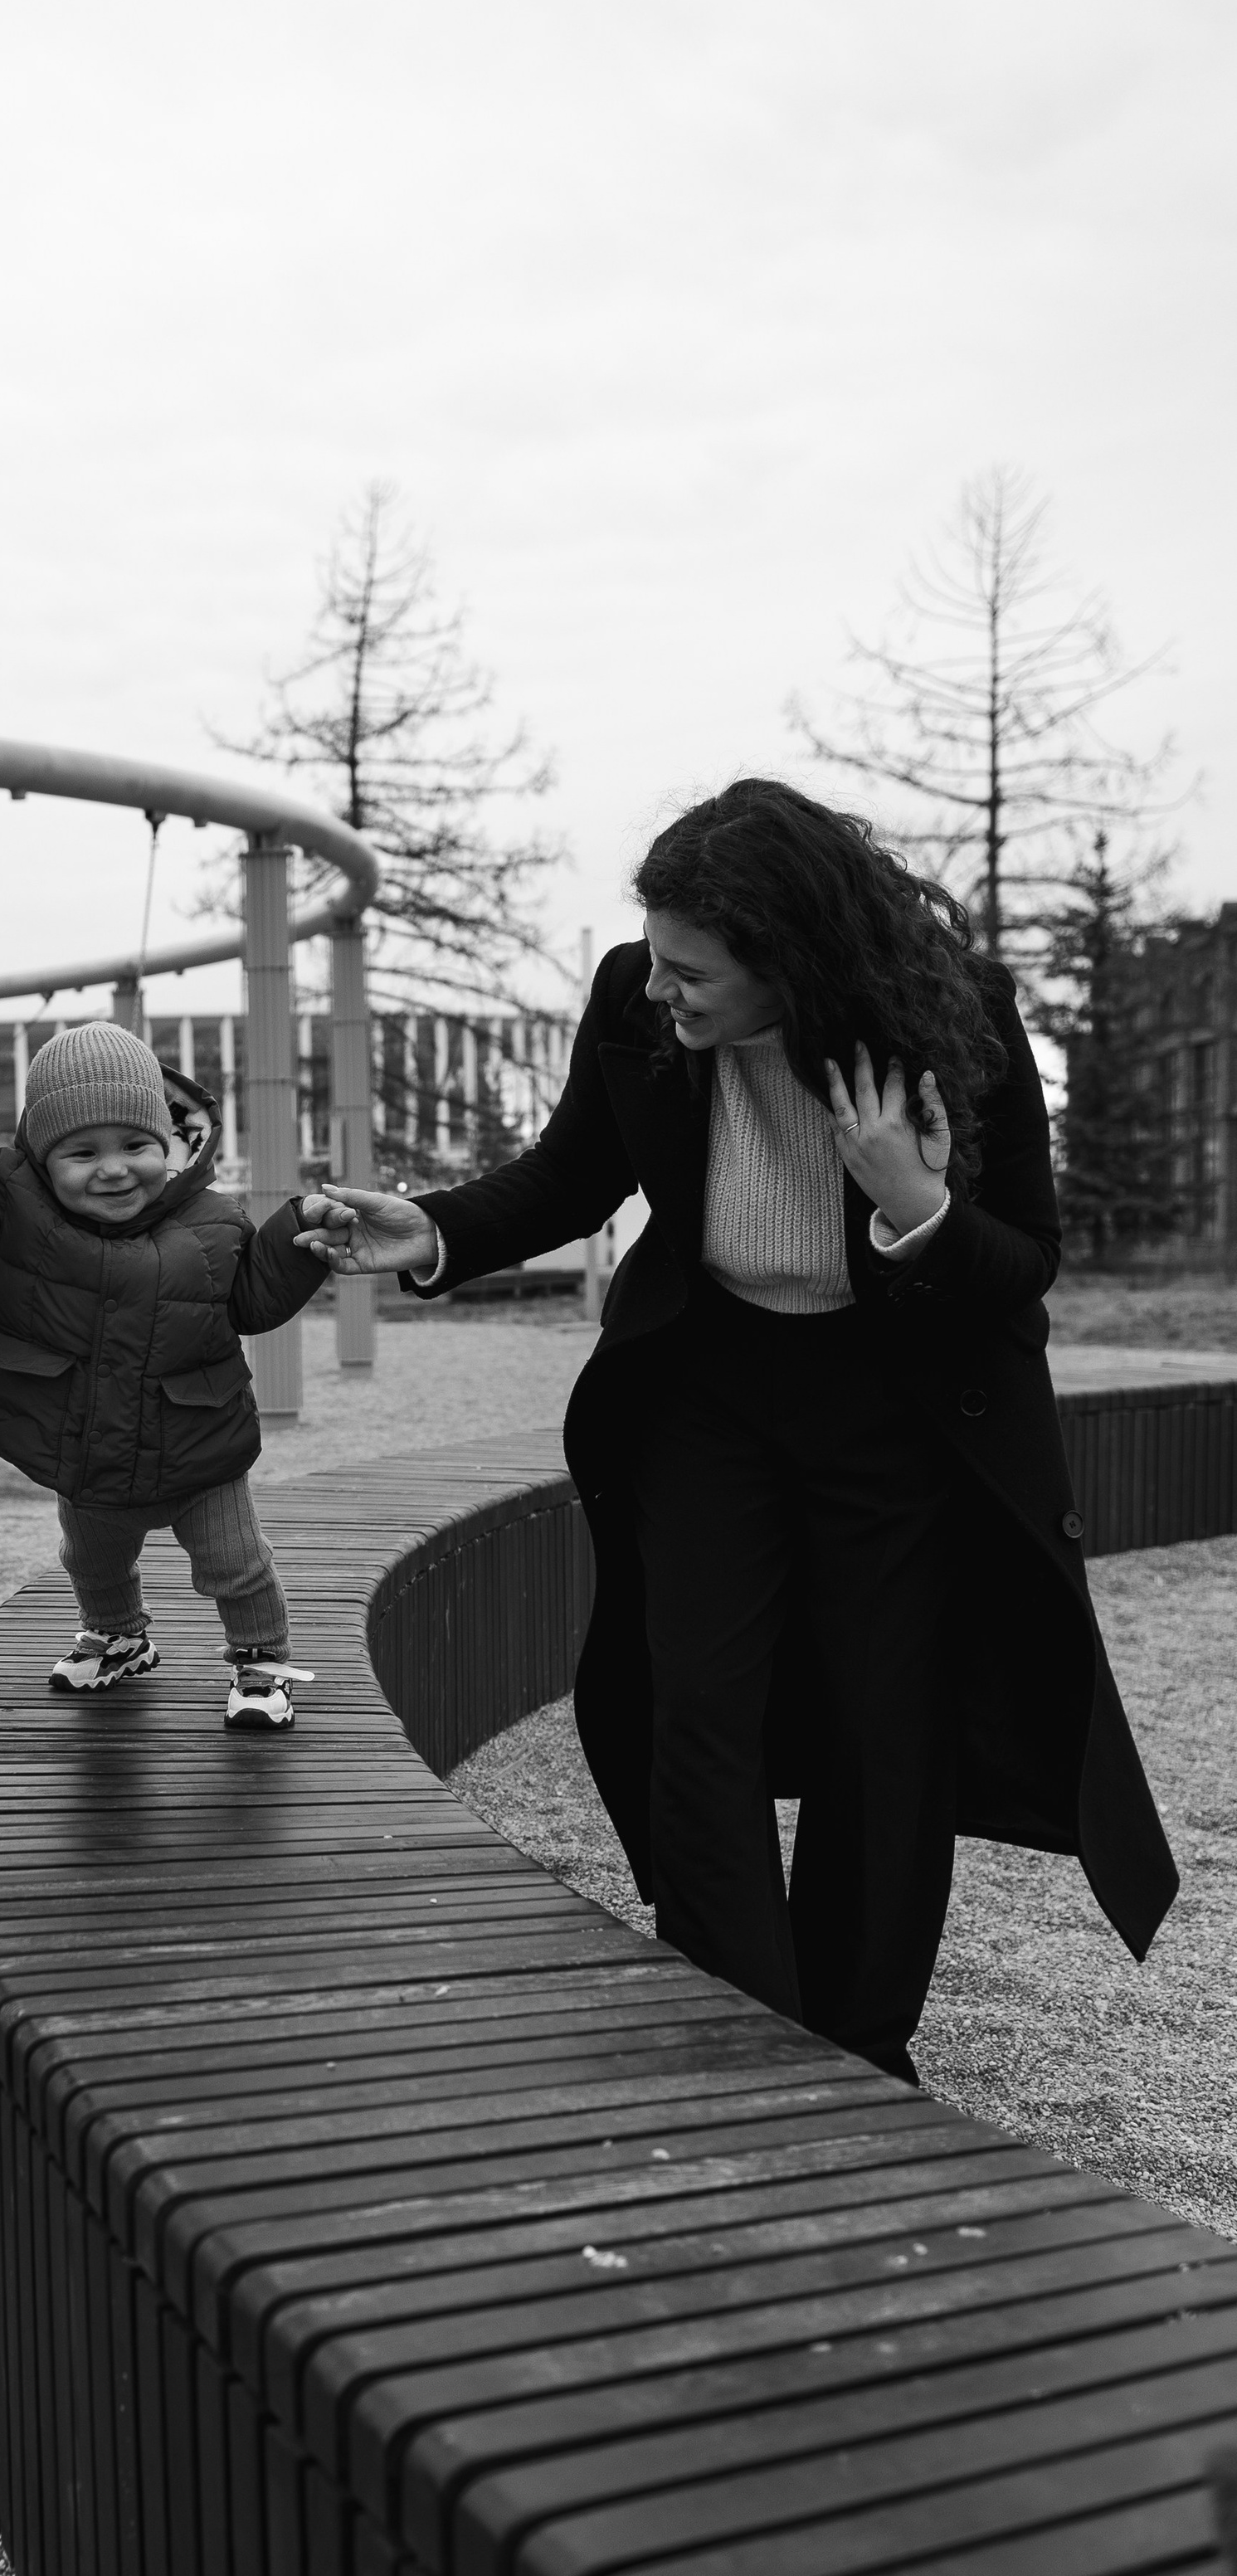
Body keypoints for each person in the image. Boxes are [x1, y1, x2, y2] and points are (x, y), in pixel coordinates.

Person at [300, 777, 1176, 2084]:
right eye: (656, 959)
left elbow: (1024, 1263)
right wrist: (435, 1230)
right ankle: (742, 2032)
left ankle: (862, 2046)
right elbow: (573, 1172)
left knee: (886, 1729)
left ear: (793, 962)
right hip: (706, 1385)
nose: (661, 991)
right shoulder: (631, 996)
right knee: (693, 1709)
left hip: (893, 1400)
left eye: (692, 971)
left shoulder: (958, 1014)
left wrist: (917, 1204)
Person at [0, 1020, 329, 1728]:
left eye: (137, 1146)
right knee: (93, 1558)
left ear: (168, 1143)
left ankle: (261, 1660)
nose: (114, 1169)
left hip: (197, 1440)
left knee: (236, 1561)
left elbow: (252, 1299)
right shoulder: (18, 1203)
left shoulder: (212, 1219)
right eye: (82, 1152)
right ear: (42, 1158)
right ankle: (119, 1635)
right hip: (85, 1439)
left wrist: (300, 1240)